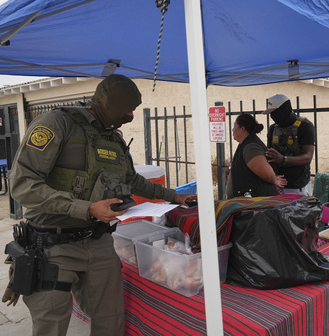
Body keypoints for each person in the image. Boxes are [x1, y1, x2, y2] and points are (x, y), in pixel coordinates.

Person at [1, 74, 196, 336]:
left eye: (134, 110)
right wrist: (86, 208)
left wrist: (173, 196)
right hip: (52, 246)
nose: (131, 115)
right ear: (108, 104)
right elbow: (23, 184)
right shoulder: (57, 123)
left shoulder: (112, 139)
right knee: (51, 325)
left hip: (99, 242)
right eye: (127, 109)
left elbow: (132, 179)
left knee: (111, 321)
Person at [263, 94, 315, 196]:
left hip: (297, 186)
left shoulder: (304, 126)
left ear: (283, 109)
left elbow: (308, 157)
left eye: (274, 112)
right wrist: (273, 180)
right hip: (277, 185)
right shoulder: (273, 129)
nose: (272, 116)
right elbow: (269, 156)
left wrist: (283, 159)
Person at [227, 113, 286, 198]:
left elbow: (268, 175)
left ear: (242, 128)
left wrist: (274, 179)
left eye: (234, 126)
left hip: (255, 205)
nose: (232, 130)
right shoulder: (246, 144)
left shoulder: (251, 148)